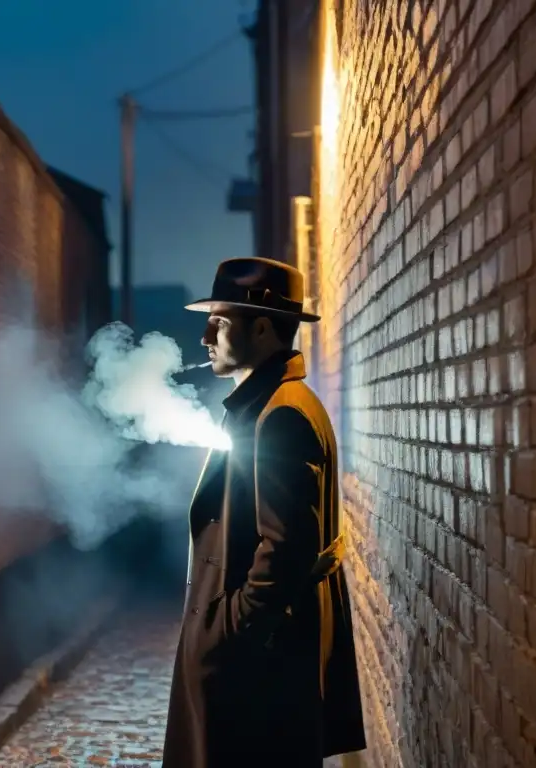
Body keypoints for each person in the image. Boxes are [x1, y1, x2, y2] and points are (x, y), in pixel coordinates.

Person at [161, 257, 366, 767]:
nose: (206, 335)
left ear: (262, 328)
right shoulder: (270, 405)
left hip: (255, 674)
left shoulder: (281, 415)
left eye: (222, 322)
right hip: (253, 667)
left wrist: (223, 634)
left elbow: (285, 553)